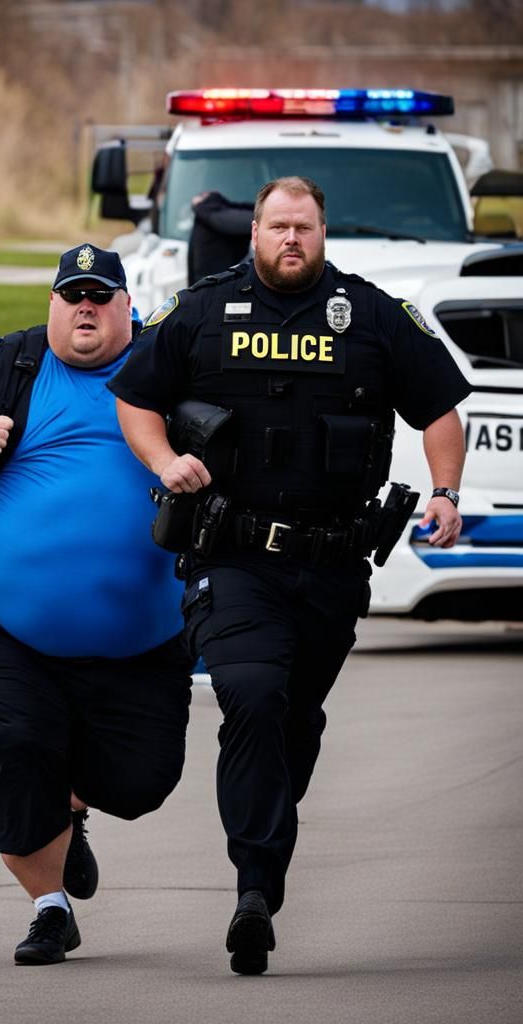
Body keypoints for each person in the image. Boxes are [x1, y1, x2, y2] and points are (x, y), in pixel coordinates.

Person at [109, 176, 469, 975]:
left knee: (292, 714)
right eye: (278, 227)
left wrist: (445, 492)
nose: (291, 240)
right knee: (250, 694)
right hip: (230, 555)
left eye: (303, 228)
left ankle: (260, 866)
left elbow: (441, 408)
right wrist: (167, 462)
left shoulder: (372, 315)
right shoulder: (201, 311)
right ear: (255, 234)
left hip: (330, 567)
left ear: (323, 232)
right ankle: (254, 888)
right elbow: (134, 396)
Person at [0, 243, 192, 966]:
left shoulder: (172, 364)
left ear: (129, 305)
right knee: (15, 743)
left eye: (100, 295)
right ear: (53, 304)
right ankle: (49, 909)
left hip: (143, 639)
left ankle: (75, 806)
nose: (85, 307)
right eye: (72, 295)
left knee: (142, 783)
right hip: (7, 626)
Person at [188, 190, 254, 284]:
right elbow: (246, 221)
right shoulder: (211, 212)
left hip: (212, 283)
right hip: (218, 283)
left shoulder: (209, 213)